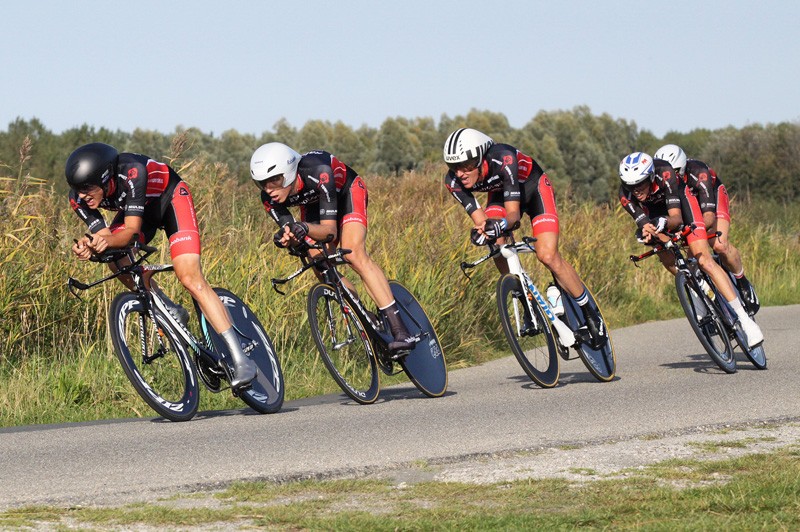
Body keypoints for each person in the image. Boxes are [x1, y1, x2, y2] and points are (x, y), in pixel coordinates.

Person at [66, 142, 257, 388]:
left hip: (170, 200)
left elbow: (132, 232)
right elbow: (105, 237)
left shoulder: (131, 171)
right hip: (139, 212)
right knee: (114, 258)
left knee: (190, 278)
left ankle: (242, 358)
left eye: (86, 188)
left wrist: (103, 241)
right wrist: (89, 245)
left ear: (105, 179)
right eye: (77, 189)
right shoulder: (78, 200)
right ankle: (168, 307)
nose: (82, 195)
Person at [442, 127, 606, 346]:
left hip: (534, 189)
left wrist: (501, 224)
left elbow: (514, 216)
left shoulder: (503, 157)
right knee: (495, 242)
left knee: (547, 255)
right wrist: (484, 232)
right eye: (454, 167)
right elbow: (481, 221)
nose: (460, 173)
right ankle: (524, 299)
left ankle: (590, 314)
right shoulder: (452, 181)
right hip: (501, 196)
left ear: (481, 158)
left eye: (466, 165)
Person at [249, 142, 416, 355]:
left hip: (347, 192)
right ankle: (367, 320)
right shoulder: (269, 199)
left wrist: (303, 227)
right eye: (262, 183)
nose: (269, 189)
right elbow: (291, 230)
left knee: (353, 252)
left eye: (274, 180)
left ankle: (400, 329)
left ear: (290, 173)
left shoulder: (318, 171)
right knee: (319, 263)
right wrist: (287, 238)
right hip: (313, 205)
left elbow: (330, 233)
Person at [618, 151, 763, 347]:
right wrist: (649, 233)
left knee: (704, 259)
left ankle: (745, 321)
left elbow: (676, 218)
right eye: (630, 185)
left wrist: (669, 224)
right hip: (656, 210)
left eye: (640, 183)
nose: (635, 190)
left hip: (682, 203)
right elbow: (645, 223)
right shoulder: (625, 196)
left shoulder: (667, 174)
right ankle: (696, 290)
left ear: (651, 176)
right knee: (665, 254)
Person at [654, 144, 759, 313]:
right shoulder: (664, 183)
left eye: (673, 174)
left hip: (712, 198)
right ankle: (707, 301)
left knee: (719, 245)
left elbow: (708, 218)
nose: (669, 179)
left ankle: (741, 280)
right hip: (691, 205)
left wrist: (691, 234)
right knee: (690, 259)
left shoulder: (698, 172)